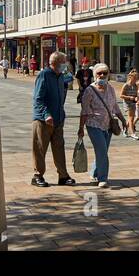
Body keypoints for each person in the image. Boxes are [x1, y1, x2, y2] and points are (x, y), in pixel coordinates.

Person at [30, 52, 76, 188]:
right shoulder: (44, 75)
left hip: (58, 119)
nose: (65, 64)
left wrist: (61, 113)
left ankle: (63, 176)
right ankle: (37, 176)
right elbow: (38, 99)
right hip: (43, 120)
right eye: (63, 62)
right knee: (39, 148)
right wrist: (46, 114)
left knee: (59, 148)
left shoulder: (61, 76)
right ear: (55, 63)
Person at [78, 63, 125, 188]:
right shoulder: (89, 91)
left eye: (105, 73)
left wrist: (123, 119)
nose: (102, 75)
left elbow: (114, 106)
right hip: (94, 124)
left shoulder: (110, 88)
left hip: (108, 125)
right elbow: (84, 111)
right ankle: (103, 178)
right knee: (102, 151)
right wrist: (80, 128)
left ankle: (94, 172)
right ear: (95, 75)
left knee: (102, 151)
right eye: (99, 73)